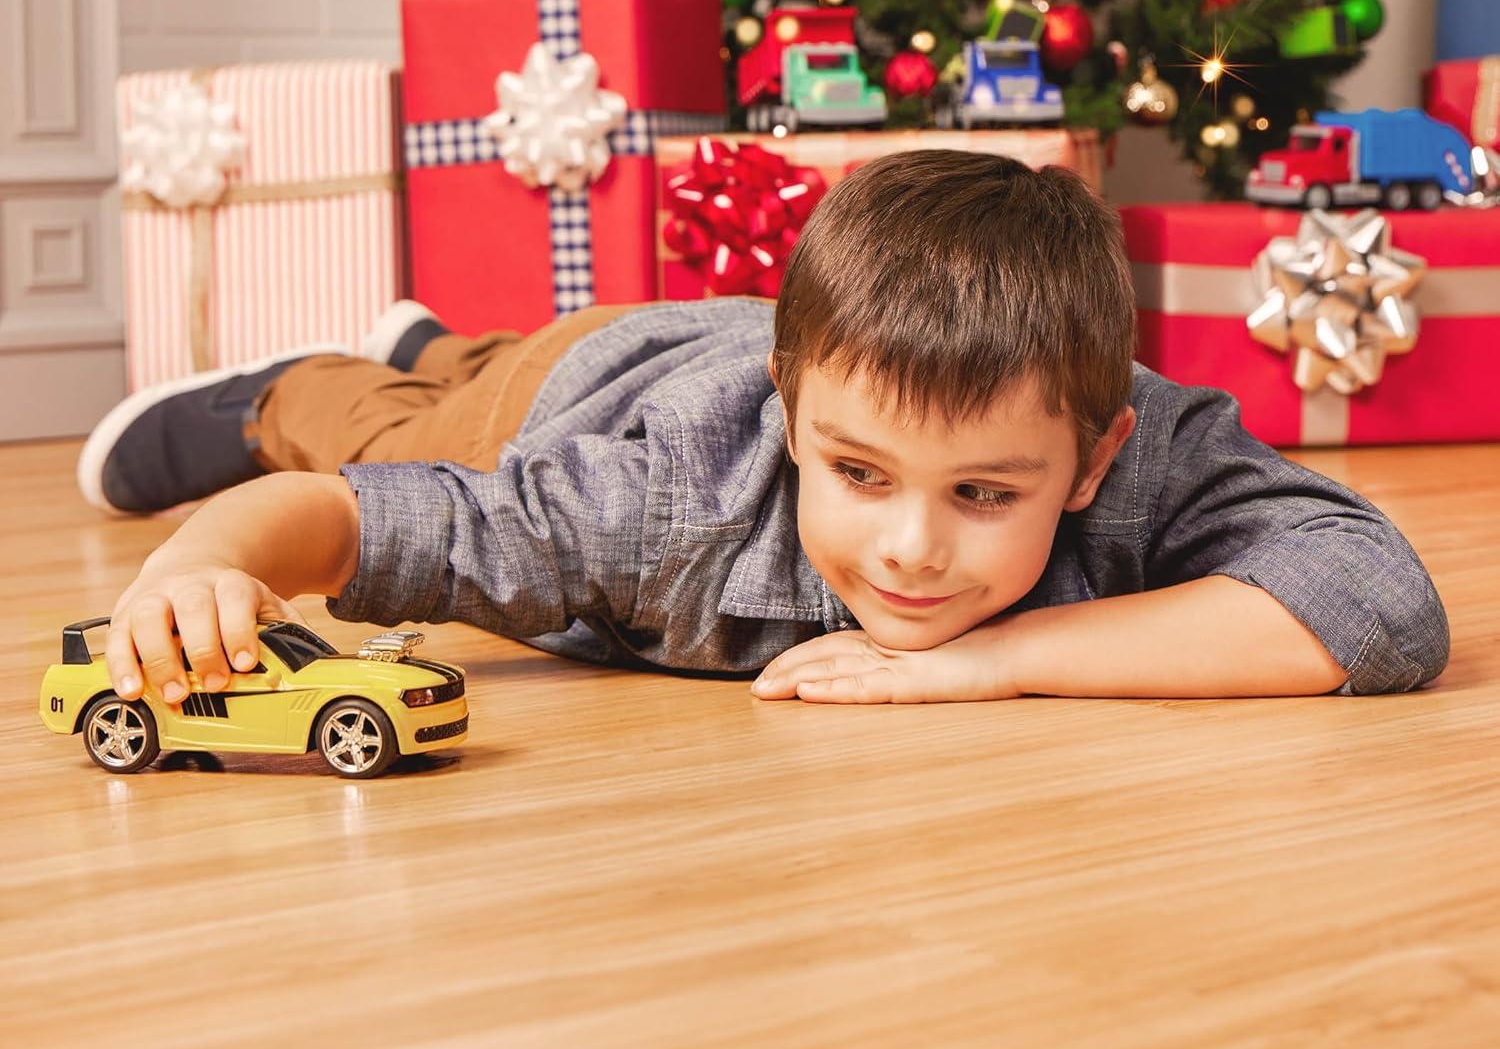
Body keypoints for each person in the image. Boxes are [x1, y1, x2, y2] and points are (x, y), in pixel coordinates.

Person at [79, 150, 1449, 707]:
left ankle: (428, 330)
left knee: (452, 369)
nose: (913, 549)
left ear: (1095, 457)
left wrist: (1004, 663)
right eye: (860, 476)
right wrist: (196, 568)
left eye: (984, 495)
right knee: (398, 431)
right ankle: (296, 385)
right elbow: (365, 524)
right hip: (593, 388)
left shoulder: (1135, 437)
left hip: (771, 343)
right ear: (798, 427)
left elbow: (1376, 602)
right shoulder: (642, 508)